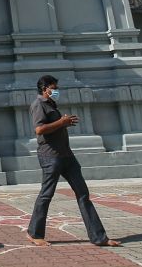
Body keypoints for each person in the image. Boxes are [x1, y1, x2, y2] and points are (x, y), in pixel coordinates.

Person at [26, 75, 121, 247]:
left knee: (83, 194)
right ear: (44, 88)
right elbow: (39, 129)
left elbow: (53, 126)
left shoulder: (51, 104)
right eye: (54, 87)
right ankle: (35, 233)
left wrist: (64, 123)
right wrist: (61, 122)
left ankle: (99, 237)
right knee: (46, 195)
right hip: (50, 156)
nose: (56, 91)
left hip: (66, 155)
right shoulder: (38, 104)